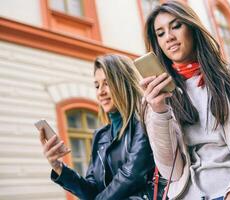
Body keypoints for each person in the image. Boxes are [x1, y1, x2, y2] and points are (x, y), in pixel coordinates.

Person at [140, 1, 230, 200]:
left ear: (192, 28)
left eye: (176, 26)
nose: (169, 37)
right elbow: (172, 170)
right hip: (190, 194)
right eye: (160, 33)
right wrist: (159, 111)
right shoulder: (157, 96)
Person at [39, 54, 155, 200]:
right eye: (97, 85)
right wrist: (59, 167)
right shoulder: (100, 136)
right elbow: (92, 190)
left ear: (124, 83)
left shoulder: (144, 123)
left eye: (107, 83)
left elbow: (131, 176)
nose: (101, 92)